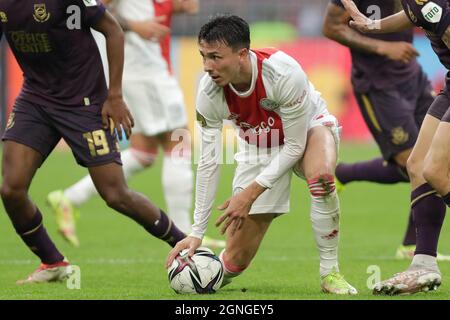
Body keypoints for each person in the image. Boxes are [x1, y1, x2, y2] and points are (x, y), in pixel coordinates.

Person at [166, 14, 357, 294]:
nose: (208, 66)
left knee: (323, 180)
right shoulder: (208, 92)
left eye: (216, 57)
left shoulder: (281, 72)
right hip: (259, 146)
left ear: (242, 54)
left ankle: (330, 273)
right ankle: (203, 276)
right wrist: (196, 232)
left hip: (308, 128)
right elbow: (208, 161)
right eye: (203, 56)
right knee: (235, 259)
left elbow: (294, 146)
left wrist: (249, 194)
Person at [0, 0, 185, 284]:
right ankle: (53, 262)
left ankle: (187, 246)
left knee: (115, 194)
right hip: (35, 99)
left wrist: (114, 96)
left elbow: (113, 30)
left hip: (84, 103)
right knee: (11, 188)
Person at [46, 0, 225, 249]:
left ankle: (68, 198)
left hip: (144, 70)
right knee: (179, 142)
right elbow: (93, 9)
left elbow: (189, 6)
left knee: (144, 152)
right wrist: (135, 26)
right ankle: (186, 233)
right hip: (144, 71)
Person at [322, 0, 450, 261]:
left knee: (431, 165)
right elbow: (331, 27)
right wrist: (379, 40)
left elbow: (420, 14)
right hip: (377, 84)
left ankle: (414, 247)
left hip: (412, 76)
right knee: (415, 164)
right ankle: (418, 249)